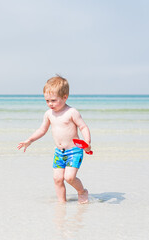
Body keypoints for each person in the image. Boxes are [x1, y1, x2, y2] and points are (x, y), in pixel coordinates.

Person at [17, 75, 91, 204]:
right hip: (59, 152)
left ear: (65, 97)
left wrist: (87, 142)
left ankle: (82, 191)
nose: (50, 104)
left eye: (53, 100)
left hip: (74, 151)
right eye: (47, 101)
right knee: (57, 178)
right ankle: (62, 203)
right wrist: (30, 140)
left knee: (69, 177)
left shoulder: (71, 112)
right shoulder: (48, 114)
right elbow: (42, 130)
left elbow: (83, 127)